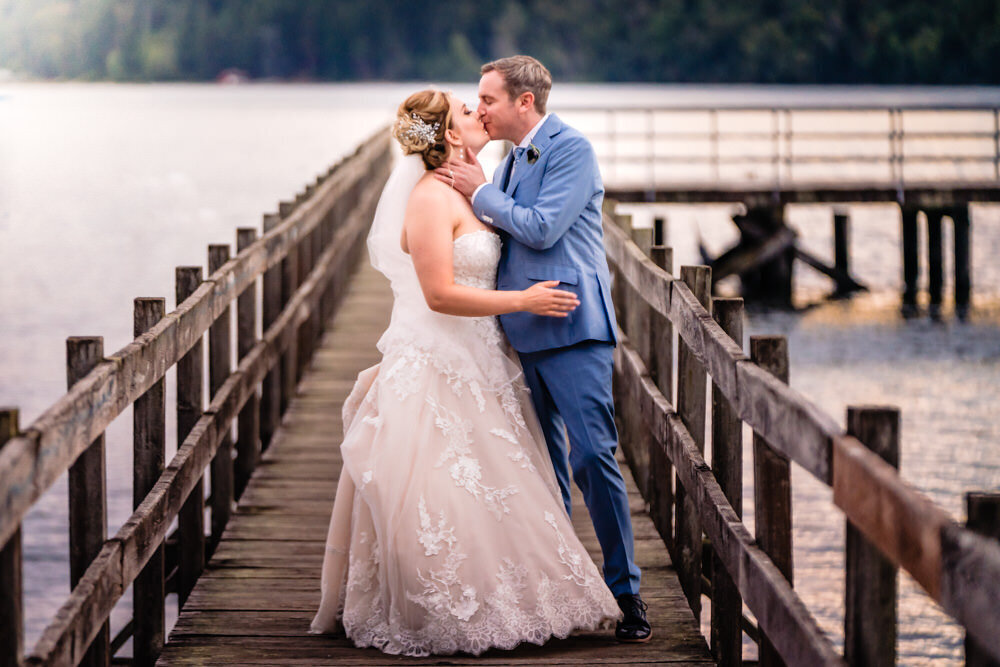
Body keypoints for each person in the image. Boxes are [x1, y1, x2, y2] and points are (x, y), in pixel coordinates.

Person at [309, 88, 621, 656]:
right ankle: (447, 604)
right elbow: (438, 295)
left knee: (501, 478)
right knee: (445, 486)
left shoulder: (479, 186)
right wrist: (523, 302)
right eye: (469, 110)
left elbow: (526, 228)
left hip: (484, 357)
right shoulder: (429, 197)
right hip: (440, 358)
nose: (481, 114)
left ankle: (517, 594)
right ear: (450, 134)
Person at [437, 55, 650, 643]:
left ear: (523, 103)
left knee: (593, 459)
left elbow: (541, 227)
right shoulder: (505, 162)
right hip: (519, 333)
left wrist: (479, 190)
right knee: (542, 468)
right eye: (476, 100)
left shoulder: (570, 149)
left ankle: (627, 593)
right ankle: (561, 587)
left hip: (572, 326)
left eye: (488, 100)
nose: (479, 109)